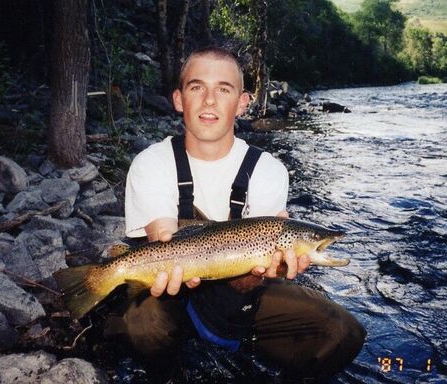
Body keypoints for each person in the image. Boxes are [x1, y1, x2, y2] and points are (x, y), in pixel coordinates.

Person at [122, 46, 366, 381]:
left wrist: (272, 269)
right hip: (171, 290)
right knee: (144, 324)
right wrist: (172, 259)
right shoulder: (151, 162)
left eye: (223, 89)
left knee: (344, 331)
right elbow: (163, 236)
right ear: (178, 100)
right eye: (197, 87)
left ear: (242, 103)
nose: (209, 100)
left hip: (243, 294)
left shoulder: (268, 170)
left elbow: (251, 277)